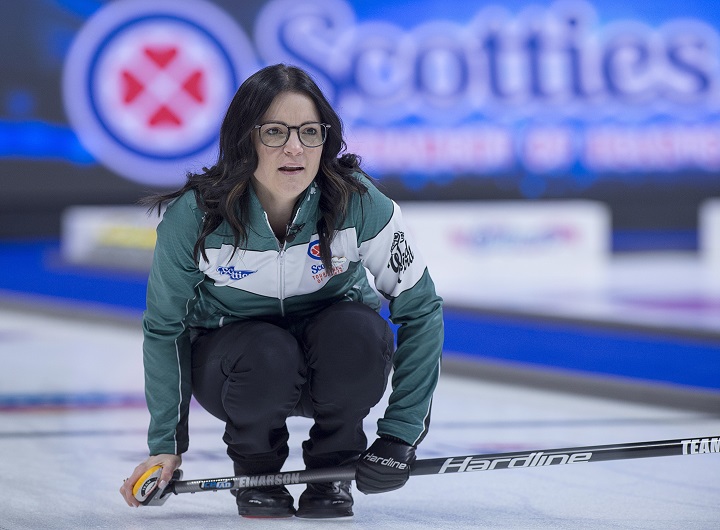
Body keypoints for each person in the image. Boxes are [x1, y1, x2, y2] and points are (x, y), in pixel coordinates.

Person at [119, 63, 443, 519]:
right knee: (268, 349)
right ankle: (256, 469)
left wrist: (399, 435)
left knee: (359, 333)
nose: (295, 148)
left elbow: (421, 310)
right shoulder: (195, 218)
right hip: (238, 370)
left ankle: (333, 469)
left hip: (329, 362)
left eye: (309, 132)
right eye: (275, 132)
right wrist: (166, 446)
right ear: (244, 140)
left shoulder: (359, 203)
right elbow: (165, 327)